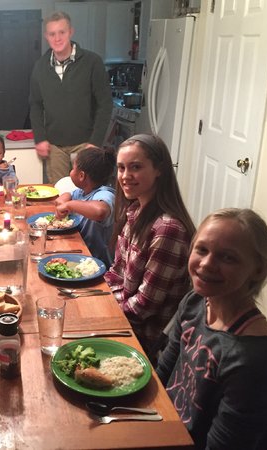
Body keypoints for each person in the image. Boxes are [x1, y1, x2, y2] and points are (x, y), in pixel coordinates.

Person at [156, 208, 267, 449]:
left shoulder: (255, 360)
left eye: (228, 258)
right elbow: (162, 374)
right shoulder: (195, 302)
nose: (207, 264)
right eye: (202, 250)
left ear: (259, 270)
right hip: (162, 427)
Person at [104, 134, 196, 359]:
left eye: (135, 167)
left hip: (143, 342)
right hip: (123, 319)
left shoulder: (167, 228)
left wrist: (102, 312)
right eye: (121, 168)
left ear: (159, 170)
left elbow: (143, 307)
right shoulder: (134, 211)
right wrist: (97, 298)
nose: (125, 176)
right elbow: (116, 273)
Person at [29, 10, 113, 184]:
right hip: (54, 147)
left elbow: (105, 105)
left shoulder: (92, 62)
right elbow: (35, 105)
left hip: (86, 144)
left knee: (88, 191)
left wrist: (95, 142)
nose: (57, 38)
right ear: (46, 36)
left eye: (62, 32)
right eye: (52, 34)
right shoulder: (40, 67)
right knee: (59, 192)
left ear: (71, 32)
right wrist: (40, 138)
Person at [53, 147, 115, 267]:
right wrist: (63, 200)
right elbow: (69, 195)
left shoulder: (105, 193)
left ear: (81, 176)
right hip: (80, 254)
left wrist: (70, 205)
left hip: (98, 265)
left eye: (73, 168)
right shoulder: (83, 191)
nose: (70, 172)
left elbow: (100, 211)